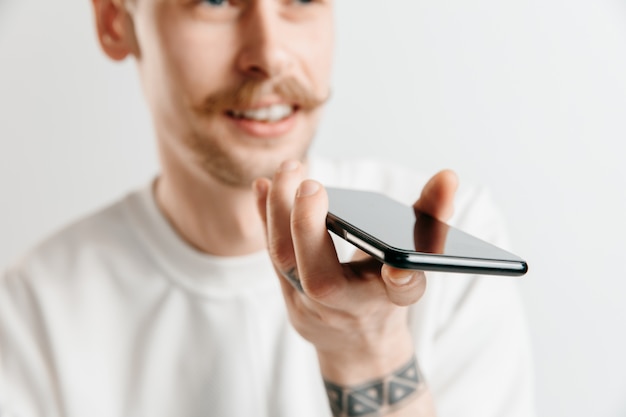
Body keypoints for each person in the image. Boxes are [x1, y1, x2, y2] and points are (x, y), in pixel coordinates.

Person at [0, 0, 534, 416]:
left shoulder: (449, 249)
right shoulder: (28, 318)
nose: (270, 53)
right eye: (215, 2)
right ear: (116, 20)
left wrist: (368, 355)